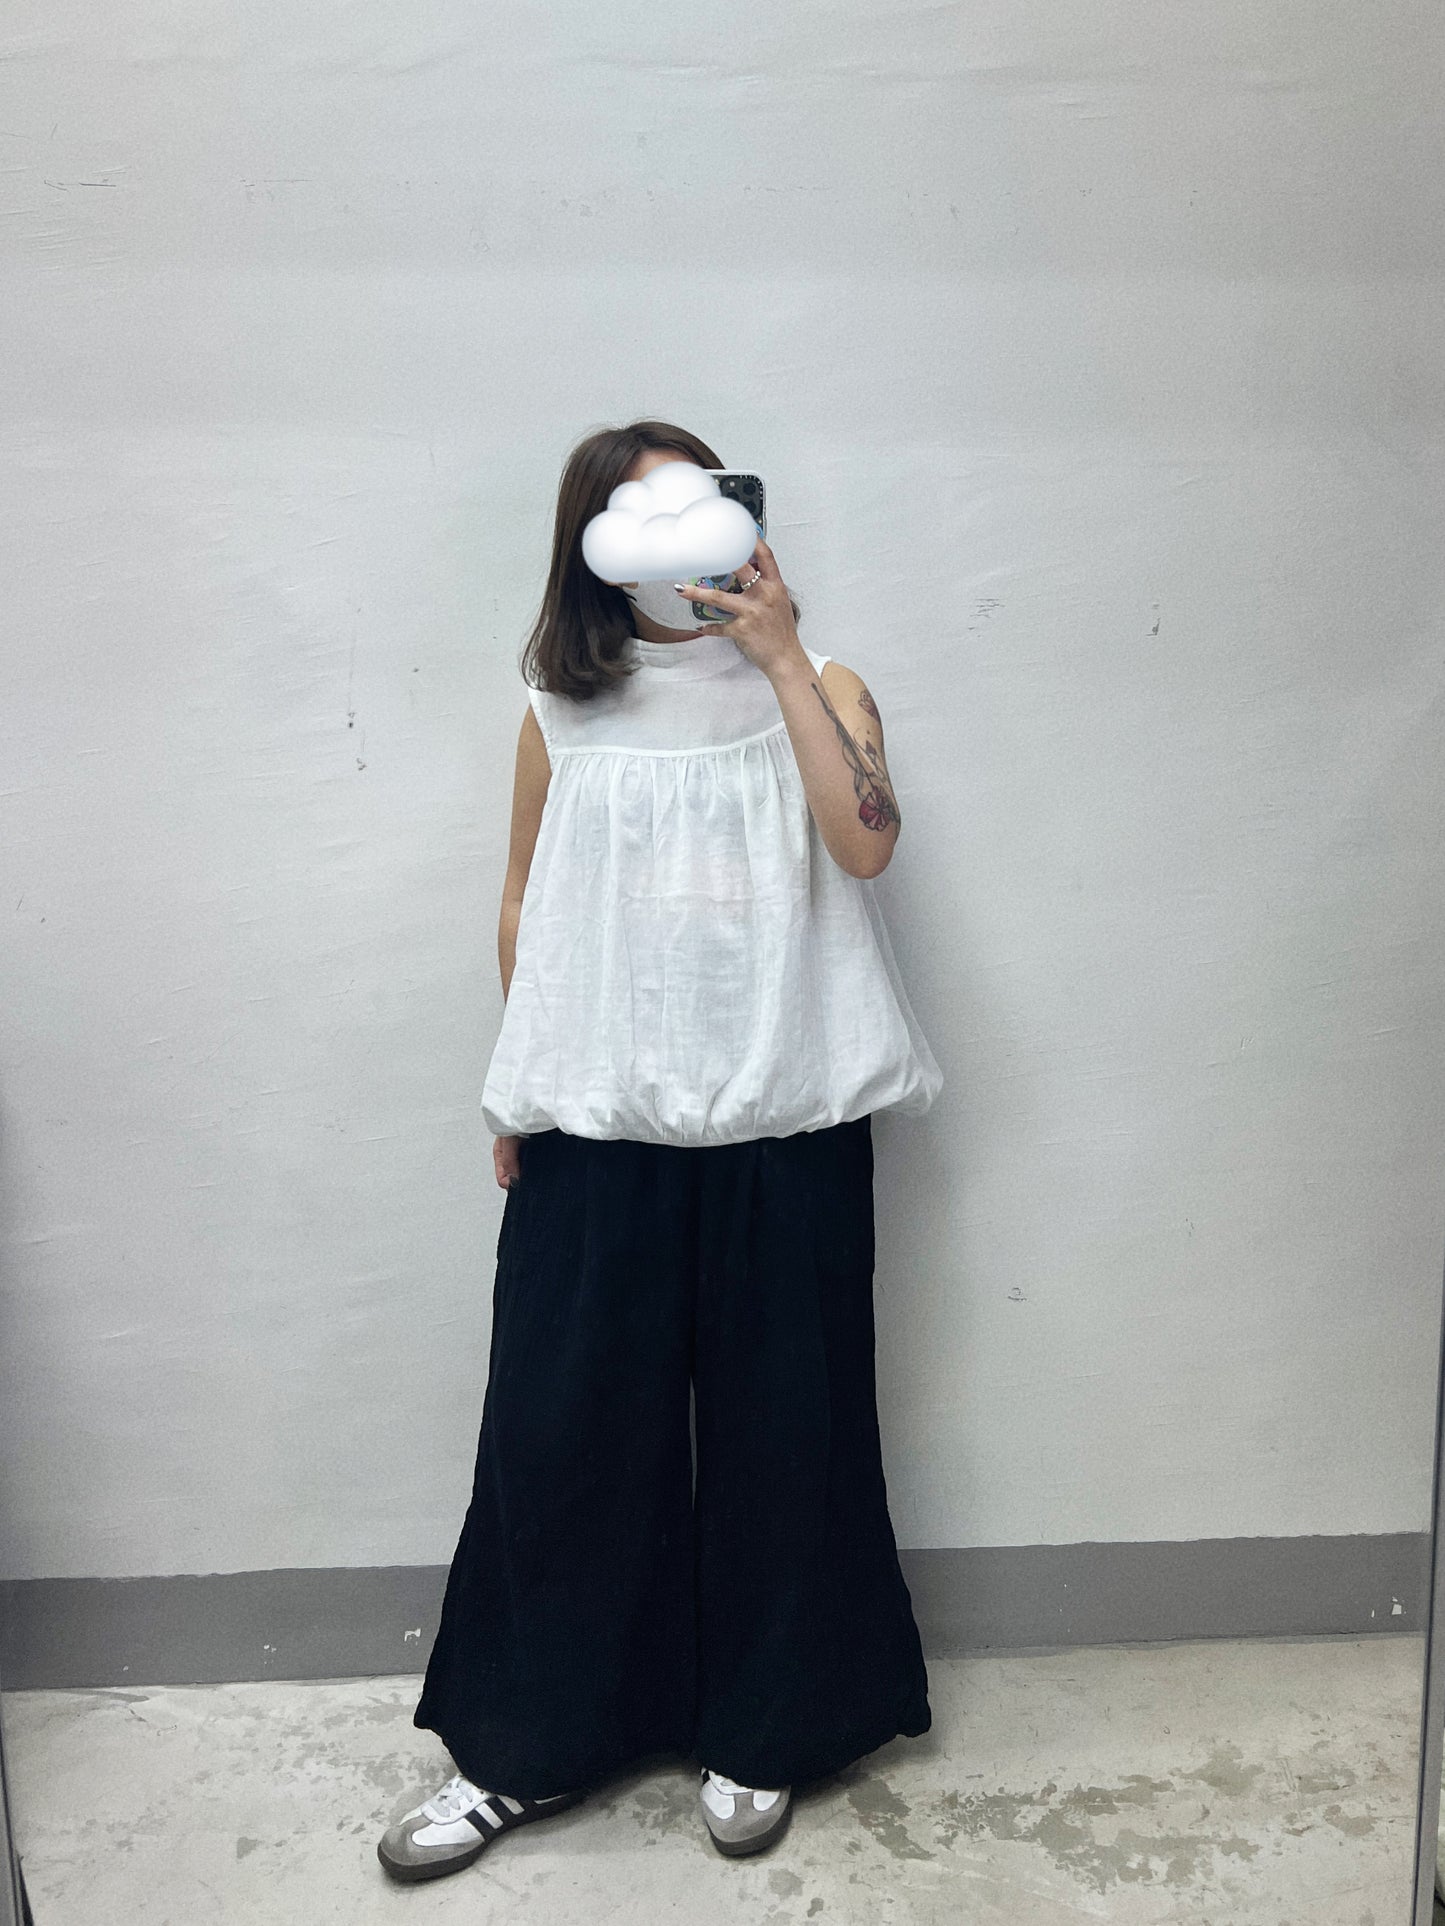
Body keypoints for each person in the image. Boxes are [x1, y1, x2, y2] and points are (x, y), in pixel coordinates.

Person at [378, 419, 943, 1881]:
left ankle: (766, 1725)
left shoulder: (824, 685)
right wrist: (520, 1089)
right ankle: (523, 1747)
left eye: (694, 504)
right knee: (561, 1436)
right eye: (638, 516)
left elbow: (867, 841)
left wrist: (779, 656)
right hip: (598, 1120)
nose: (672, 538)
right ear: (591, 547)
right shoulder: (558, 711)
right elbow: (524, 902)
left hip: (788, 1116)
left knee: (788, 1433)